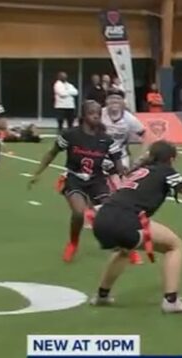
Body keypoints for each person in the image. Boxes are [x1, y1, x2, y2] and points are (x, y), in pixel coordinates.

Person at [90, 140, 182, 313]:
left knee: (123, 251)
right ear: (171, 158)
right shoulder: (166, 171)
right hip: (125, 220)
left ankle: (102, 295)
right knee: (174, 246)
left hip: (102, 219)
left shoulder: (139, 170)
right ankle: (171, 300)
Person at [28, 100, 127, 263]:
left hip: (97, 180)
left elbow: (118, 162)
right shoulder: (70, 135)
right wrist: (37, 173)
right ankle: (73, 243)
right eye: (91, 113)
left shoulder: (106, 139)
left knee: (111, 211)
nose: (96, 116)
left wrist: (124, 173)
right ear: (83, 116)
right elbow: (52, 153)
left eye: (98, 113)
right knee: (79, 212)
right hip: (74, 178)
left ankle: (123, 245)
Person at [102, 90, 146, 171]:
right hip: (101, 155)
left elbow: (143, 133)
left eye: (118, 98)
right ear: (106, 101)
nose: (115, 101)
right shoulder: (99, 114)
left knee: (123, 175)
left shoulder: (130, 119)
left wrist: (140, 155)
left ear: (123, 102)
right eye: (111, 98)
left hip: (121, 156)